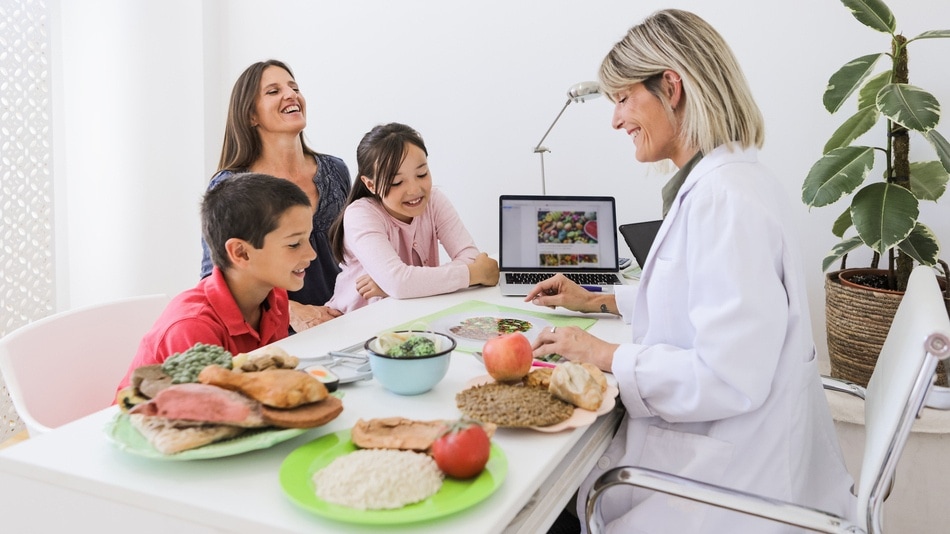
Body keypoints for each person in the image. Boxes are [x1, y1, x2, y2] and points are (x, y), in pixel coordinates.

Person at [528, 10, 855, 533]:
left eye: (621, 98)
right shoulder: (732, 181)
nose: (615, 120)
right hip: (731, 457)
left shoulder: (725, 200)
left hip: (729, 491)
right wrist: (599, 302)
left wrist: (605, 353)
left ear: (671, 87)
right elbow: (702, 299)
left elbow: (725, 376)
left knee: (538, 504)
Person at [117, 173, 315, 390]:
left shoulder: (275, 297)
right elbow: (207, 410)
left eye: (308, 239)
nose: (312, 254)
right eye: (295, 244)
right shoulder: (193, 328)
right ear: (241, 253)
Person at [199, 59, 350, 333]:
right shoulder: (231, 186)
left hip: (345, 320)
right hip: (279, 335)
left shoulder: (336, 170)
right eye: (273, 91)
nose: (291, 95)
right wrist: (292, 311)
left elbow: (354, 253)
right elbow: (214, 279)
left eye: (294, 87)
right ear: (250, 116)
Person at [326, 122, 498, 313]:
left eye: (422, 174)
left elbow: (471, 258)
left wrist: (399, 286)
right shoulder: (360, 214)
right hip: (354, 324)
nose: (415, 190)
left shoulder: (434, 200)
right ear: (370, 184)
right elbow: (399, 282)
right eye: (397, 182)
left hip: (413, 316)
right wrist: (472, 274)